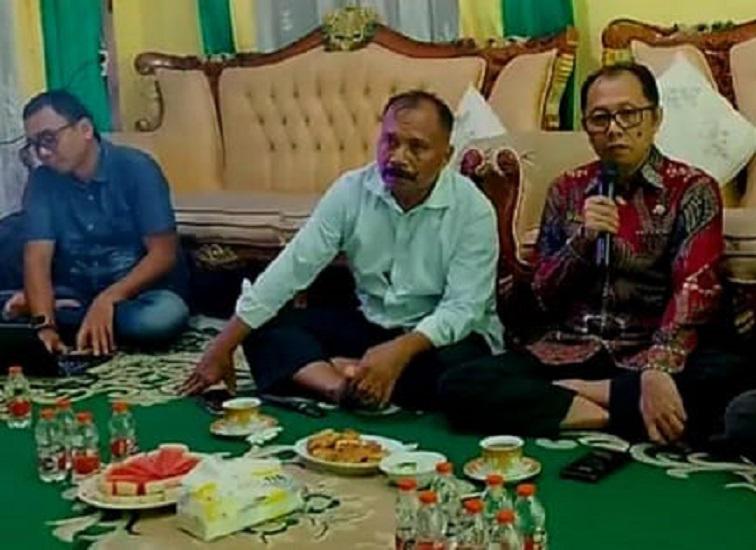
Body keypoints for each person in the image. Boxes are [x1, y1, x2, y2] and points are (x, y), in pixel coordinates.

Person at [439, 63, 747, 445]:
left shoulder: (692, 189)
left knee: (732, 379)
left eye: (628, 114)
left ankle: (577, 397)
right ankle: (608, 412)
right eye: (600, 118)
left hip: (647, 352)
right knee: (459, 382)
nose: (614, 129)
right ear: (587, 127)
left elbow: (694, 289)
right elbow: (542, 295)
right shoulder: (567, 189)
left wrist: (658, 367)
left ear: (655, 118)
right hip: (568, 350)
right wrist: (581, 242)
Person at [181, 90, 503, 409]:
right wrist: (221, 347)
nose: (397, 157)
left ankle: (339, 372)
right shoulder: (351, 190)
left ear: (446, 156)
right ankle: (341, 388)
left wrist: (399, 352)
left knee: (462, 376)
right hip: (372, 323)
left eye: (416, 147)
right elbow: (291, 268)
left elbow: (463, 308)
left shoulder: (472, 210)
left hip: (436, 339)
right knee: (263, 327)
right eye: (390, 141)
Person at [0, 90, 189, 355]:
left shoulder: (136, 168)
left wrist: (108, 299)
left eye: (49, 139)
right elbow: (37, 259)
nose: (42, 152)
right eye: (34, 144)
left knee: (159, 319)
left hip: (134, 294)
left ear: (85, 129)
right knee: (36, 304)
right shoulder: (43, 181)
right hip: (74, 290)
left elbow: (163, 255)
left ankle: (60, 312)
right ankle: (61, 312)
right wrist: (44, 326)